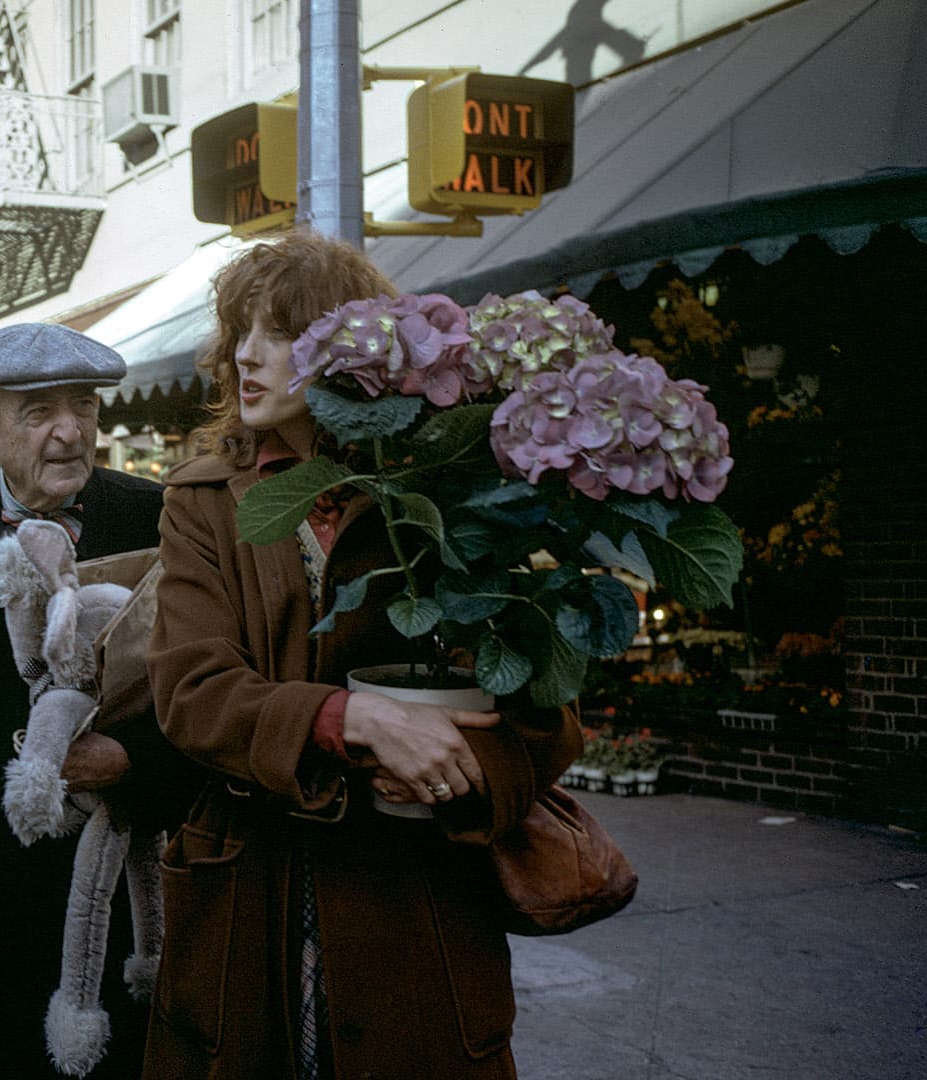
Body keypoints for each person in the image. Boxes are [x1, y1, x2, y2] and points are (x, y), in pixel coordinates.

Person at [142, 234, 582, 1079]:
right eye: (240, 331)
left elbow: (547, 719)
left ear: (352, 351)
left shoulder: (451, 484)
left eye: (278, 333)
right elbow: (192, 691)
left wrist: (456, 765)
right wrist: (357, 720)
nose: (246, 354)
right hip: (251, 897)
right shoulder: (202, 500)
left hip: (412, 908)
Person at [0, 322, 200, 1080]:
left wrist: (131, 761)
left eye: (83, 404)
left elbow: (207, 694)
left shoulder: (165, 520)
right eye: (38, 411)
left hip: (126, 910)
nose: (70, 430)